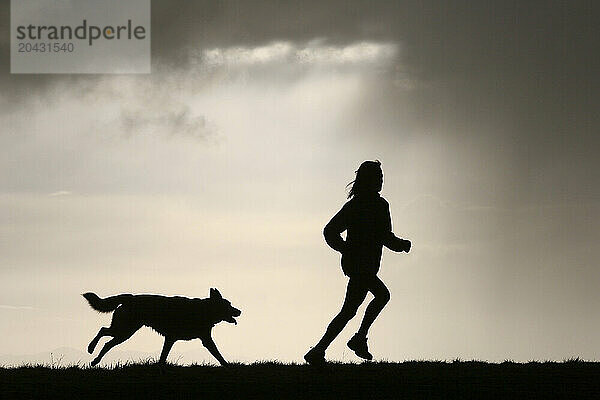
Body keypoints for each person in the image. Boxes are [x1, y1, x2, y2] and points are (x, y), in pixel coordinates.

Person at [304, 160, 411, 365]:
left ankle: (320, 350)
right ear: (368, 180)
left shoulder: (365, 205)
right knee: (381, 296)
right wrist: (346, 249)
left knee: (348, 311)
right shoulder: (368, 206)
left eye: (382, 177)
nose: (381, 181)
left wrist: (398, 245)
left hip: (362, 265)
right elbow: (331, 231)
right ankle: (358, 339)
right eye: (377, 177)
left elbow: (383, 236)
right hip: (360, 266)